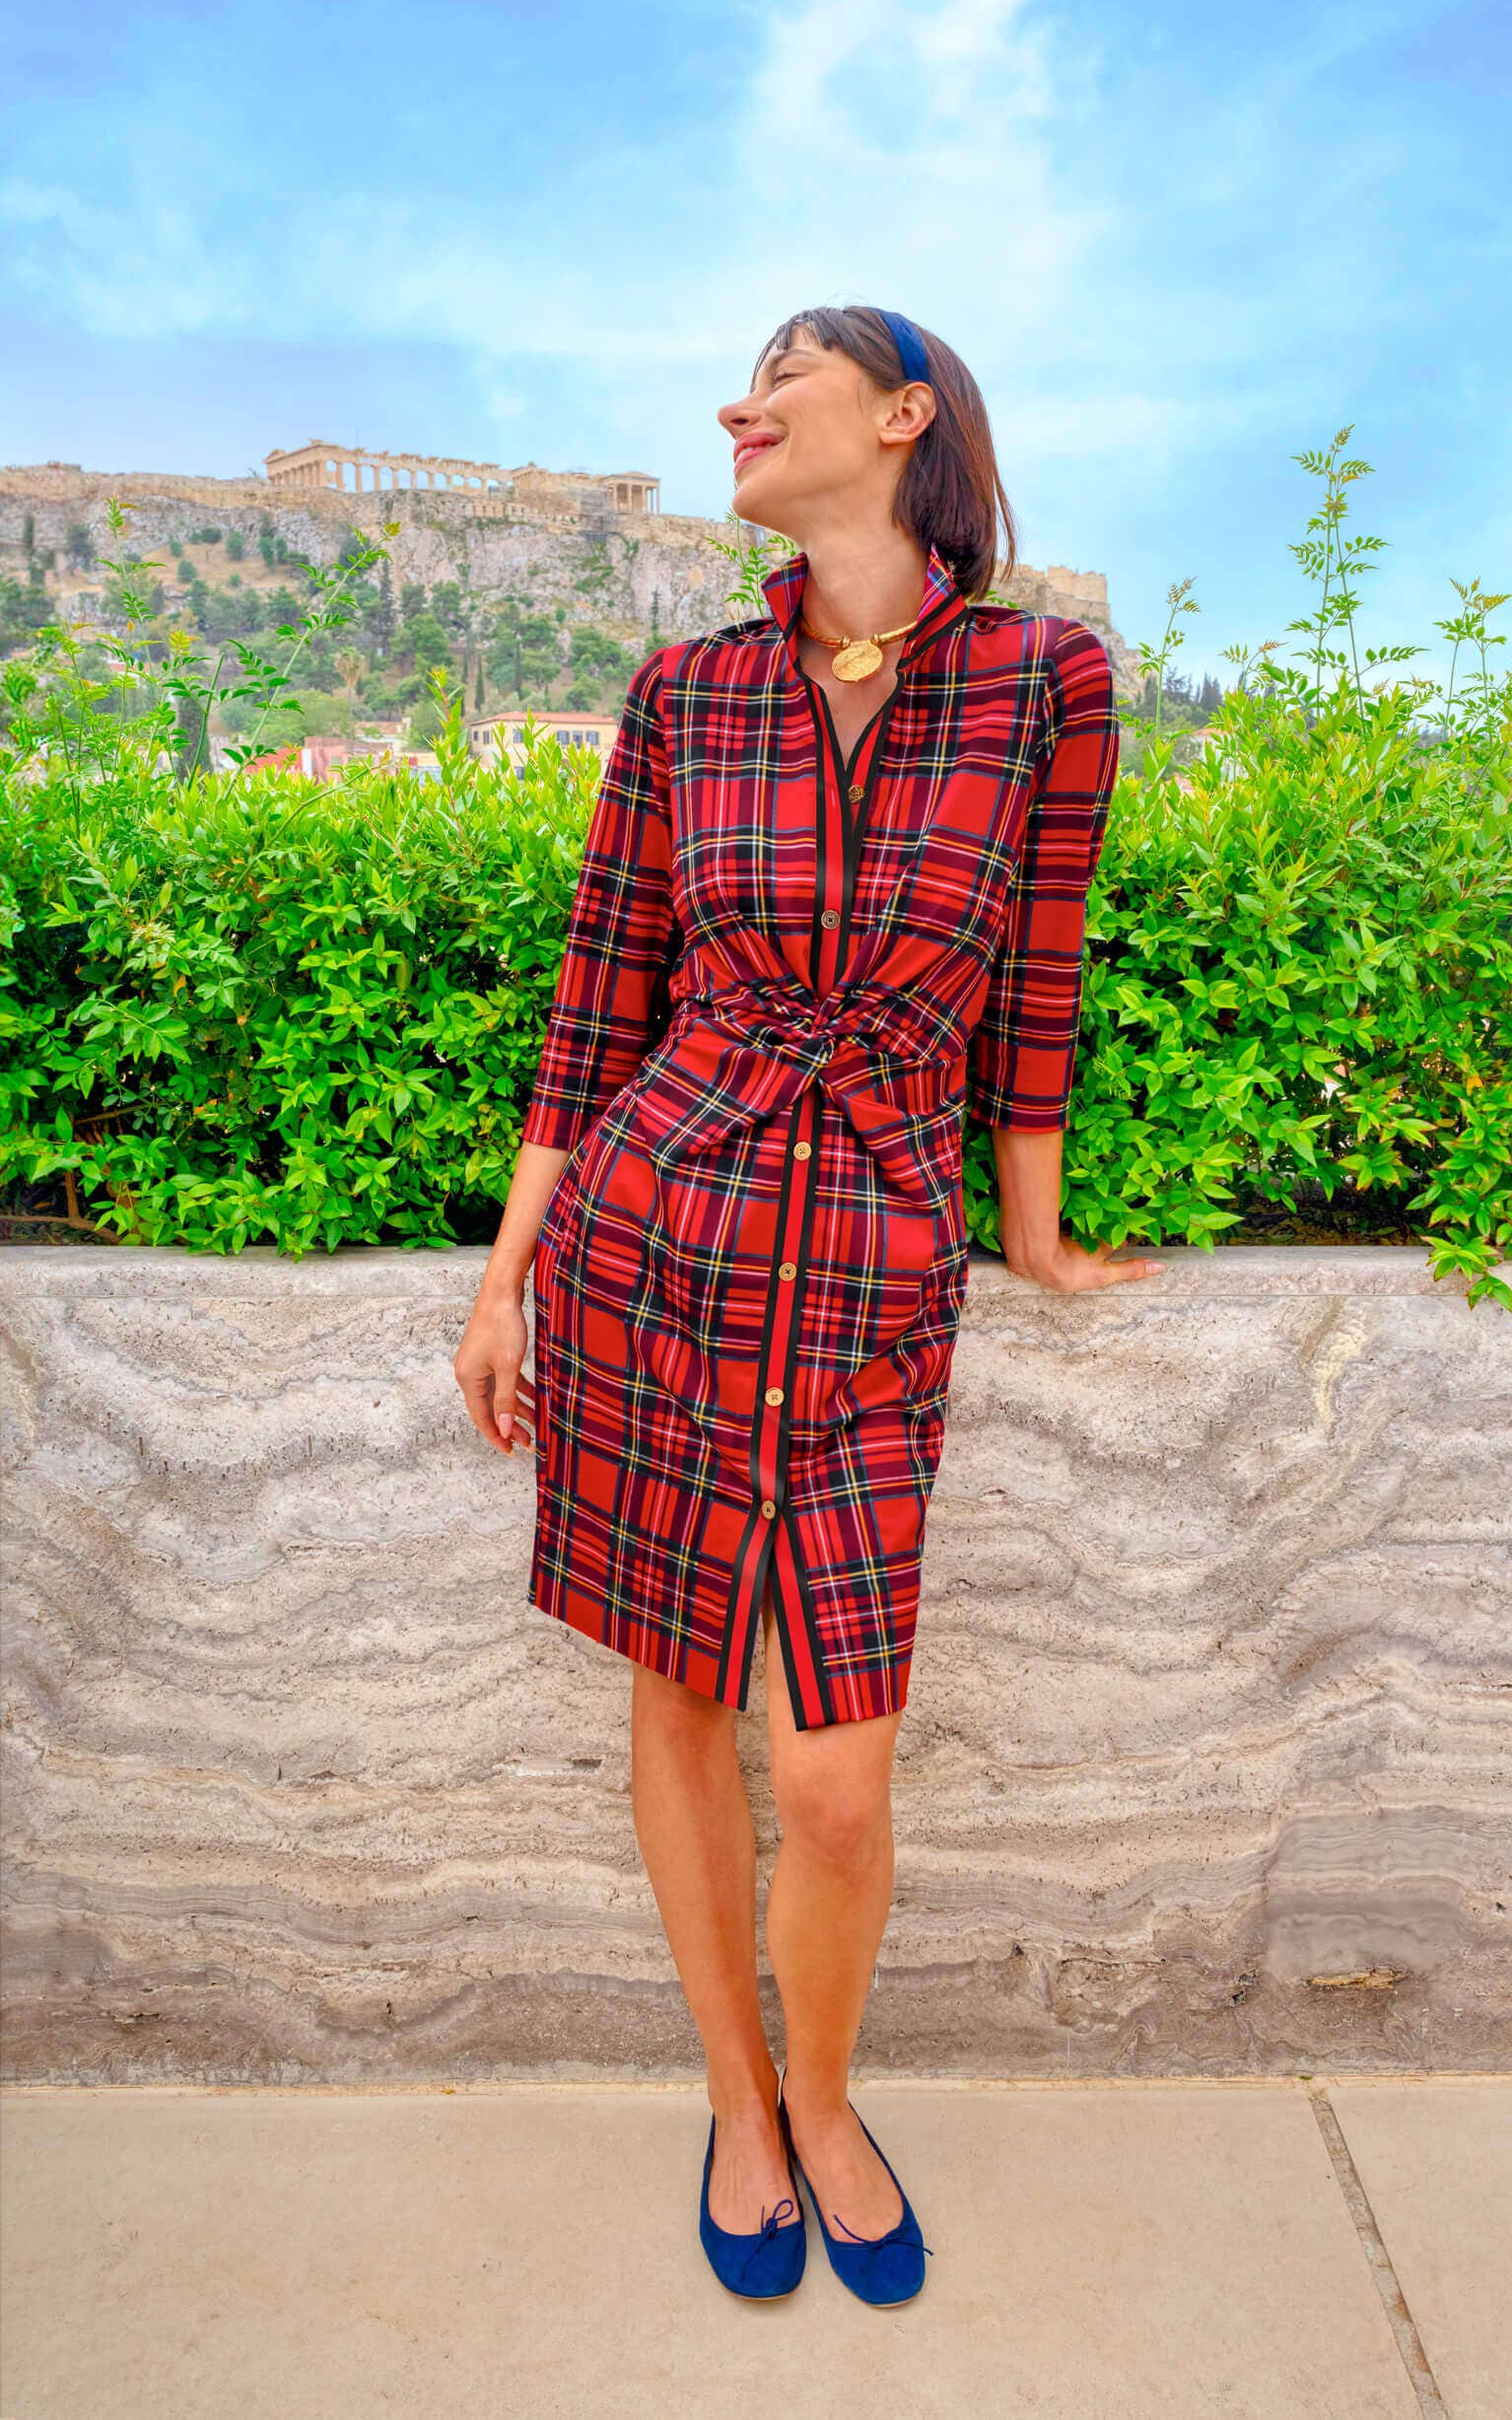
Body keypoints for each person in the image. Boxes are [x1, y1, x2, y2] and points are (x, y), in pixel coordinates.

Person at [453, 304, 1164, 2306]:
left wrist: (1023, 1229)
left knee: (838, 1769)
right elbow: (600, 999)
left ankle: (829, 2088)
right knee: (674, 1689)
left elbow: (1037, 982)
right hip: (654, 1244)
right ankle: (740, 2101)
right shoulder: (686, 689)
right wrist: (509, 1277)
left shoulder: (1048, 680)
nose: (734, 406)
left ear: (903, 415)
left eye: (784, 372)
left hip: (867, 1273)